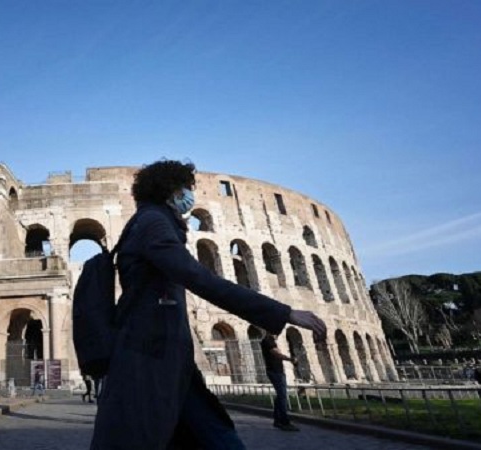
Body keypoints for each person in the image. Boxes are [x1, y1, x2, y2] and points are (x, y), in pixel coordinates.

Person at [90, 160, 327, 449]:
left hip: (166, 359)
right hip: (150, 357)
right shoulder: (153, 223)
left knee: (215, 436)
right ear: (171, 191)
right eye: (188, 189)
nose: (192, 195)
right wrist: (284, 312)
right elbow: (199, 278)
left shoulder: (151, 221)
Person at [261, 333, 299, 431]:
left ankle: (277, 420)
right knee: (282, 396)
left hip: (277, 371)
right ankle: (284, 422)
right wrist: (290, 359)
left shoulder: (270, 341)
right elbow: (276, 354)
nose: (278, 334)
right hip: (275, 371)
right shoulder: (268, 341)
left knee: (280, 396)